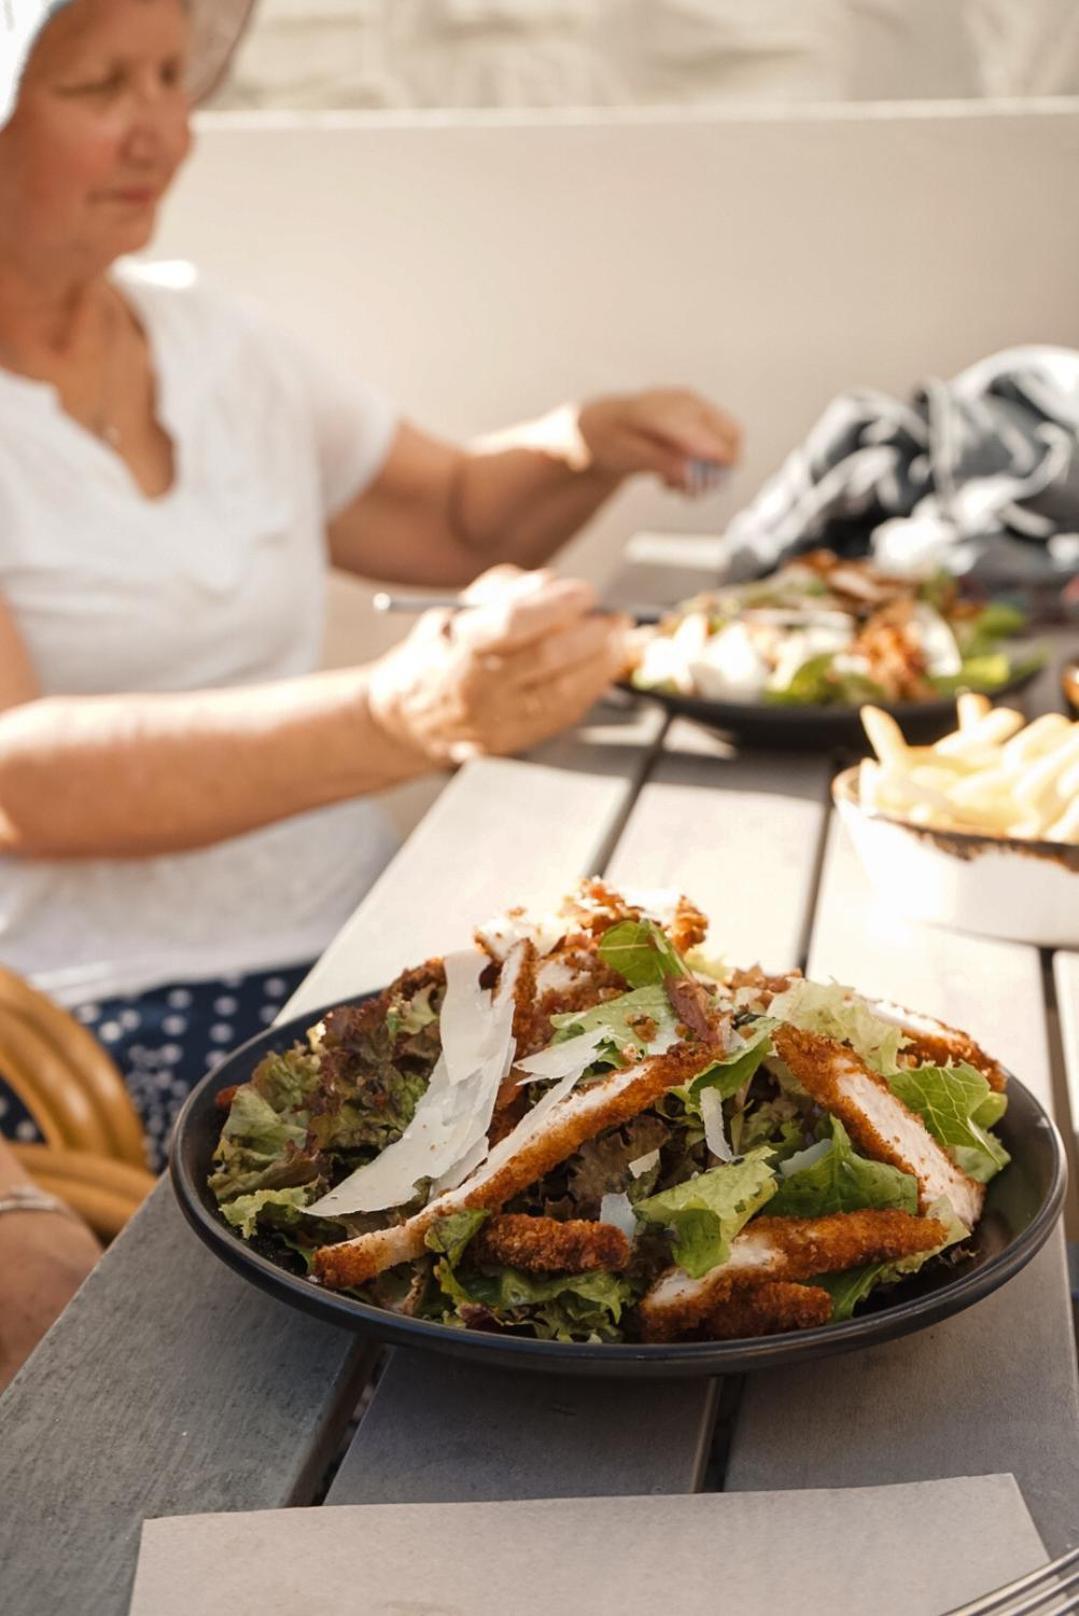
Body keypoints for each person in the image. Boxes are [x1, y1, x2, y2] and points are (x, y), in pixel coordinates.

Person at [0, 0, 742, 1187]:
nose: (164, 133)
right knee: (593, 1182)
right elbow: (14, 778)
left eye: (170, 77)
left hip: (370, 933)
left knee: (702, 1099)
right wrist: (400, 717)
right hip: (122, 1009)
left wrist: (582, 443)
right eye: (99, 88)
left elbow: (448, 516)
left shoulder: (210, 338)